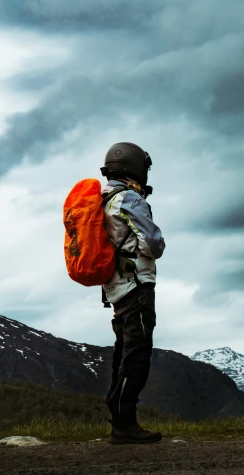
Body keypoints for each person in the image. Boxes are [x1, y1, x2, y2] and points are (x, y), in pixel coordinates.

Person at [100, 142, 166, 444]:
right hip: (136, 284)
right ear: (136, 167)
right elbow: (154, 244)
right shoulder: (128, 198)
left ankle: (120, 420)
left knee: (123, 352)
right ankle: (125, 422)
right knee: (137, 353)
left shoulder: (103, 198)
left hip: (114, 286)